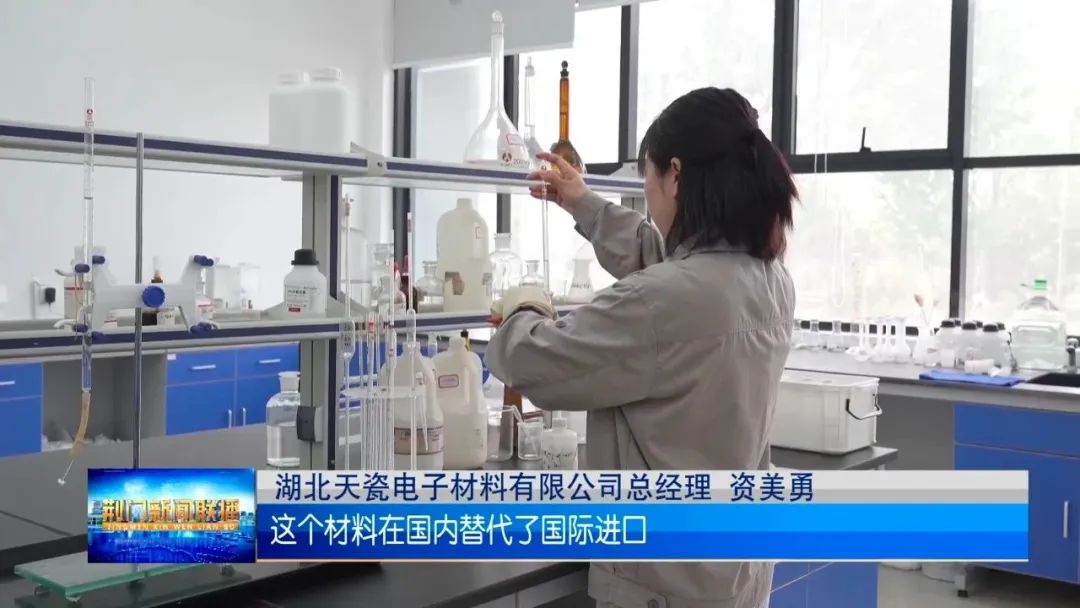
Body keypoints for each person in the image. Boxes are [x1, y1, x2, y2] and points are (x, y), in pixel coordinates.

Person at [485, 87, 798, 608]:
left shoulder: (662, 302)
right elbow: (674, 268)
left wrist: (524, 307)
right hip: (734, 570)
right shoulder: (770, 280)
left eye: (646, 180)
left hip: (663, 581)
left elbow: (530, 362)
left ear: (675, 175)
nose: (648, 199)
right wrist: (582, 202)